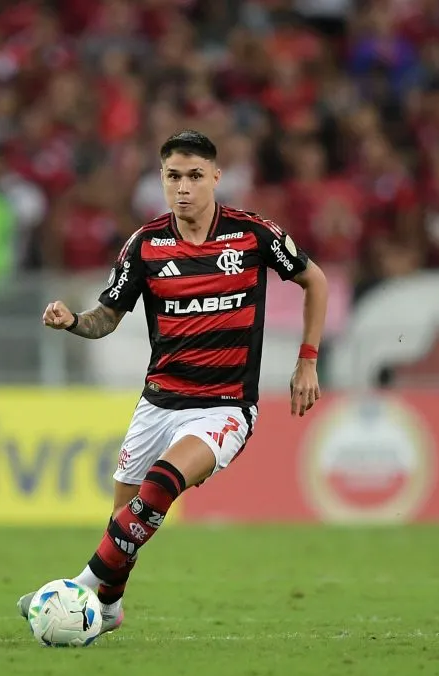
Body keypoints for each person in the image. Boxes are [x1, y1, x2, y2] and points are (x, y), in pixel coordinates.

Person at [17, 130, 329, 632]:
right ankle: (111, 606)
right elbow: (108, 317)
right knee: (125, 527)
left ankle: (76, 588)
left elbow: (315, 279)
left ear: (215, 178)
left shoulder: (253, 235)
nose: (183, 188)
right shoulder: (145, 245)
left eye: (195, 177)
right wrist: (73, 320)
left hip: (224, 406)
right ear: (161, 180)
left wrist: (307, 360)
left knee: (161, 485)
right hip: (158, 403)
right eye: (173, 177)